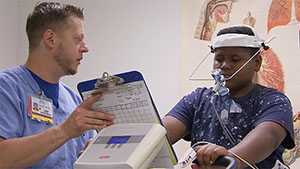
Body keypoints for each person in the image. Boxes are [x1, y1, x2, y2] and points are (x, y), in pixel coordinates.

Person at [0, 2, 114, 169]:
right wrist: (65, 131)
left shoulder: (74, 99)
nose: (86, 48)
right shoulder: (7, 88)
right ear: (51, 39)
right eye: (78, 39)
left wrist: (93, 155)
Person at [163, 25, 295, 169]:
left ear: (256, 63)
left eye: (235, 59)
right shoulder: (198, 99)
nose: (225, 65)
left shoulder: (273, 101)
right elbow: (159, 136)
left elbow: (269, 136)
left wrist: (230, 160)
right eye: (219, 59)